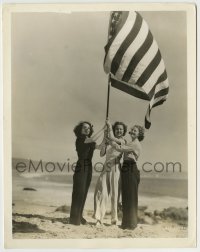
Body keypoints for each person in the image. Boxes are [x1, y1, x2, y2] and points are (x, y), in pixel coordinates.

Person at [106, 120, 145, 230]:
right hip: (126, 168)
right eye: (132, 130)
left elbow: (119, 148)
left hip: (131, 168)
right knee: (127, 197)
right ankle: (126, 223)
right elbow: (116, 140)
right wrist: (109, 128)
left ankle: (131, 224)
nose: (132, 131)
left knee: (131, 197)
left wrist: (110, 141)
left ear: (139, 134)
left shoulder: (135, 144)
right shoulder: (130, 142)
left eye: (135, 130)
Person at [94, 121, 127, 226]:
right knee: (101, 191)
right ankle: (98, 218)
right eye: (117, 128)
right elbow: (102, 153)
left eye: (121, 129)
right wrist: (104, 141)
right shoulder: (109, 139)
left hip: (116, 167)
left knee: (115, 194)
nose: (119, 130)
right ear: (115, 129)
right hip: (106, 166)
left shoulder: (122, 141)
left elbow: (113, 141)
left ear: (123, 131)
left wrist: (109, 131)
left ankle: (114, 219)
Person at [70, 121, 101, 225]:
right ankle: (74, 219)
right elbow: (92, 139)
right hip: (81, 166)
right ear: (80, 129)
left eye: (88, 128)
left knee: (84, 192)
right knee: (78, 192)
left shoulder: (90, 142)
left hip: (89, 167)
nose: (87, 129)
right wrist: (104, 128)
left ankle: (79, 216)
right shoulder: (81, 139)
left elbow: (100, 147)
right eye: (84, 127)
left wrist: (107, 137)